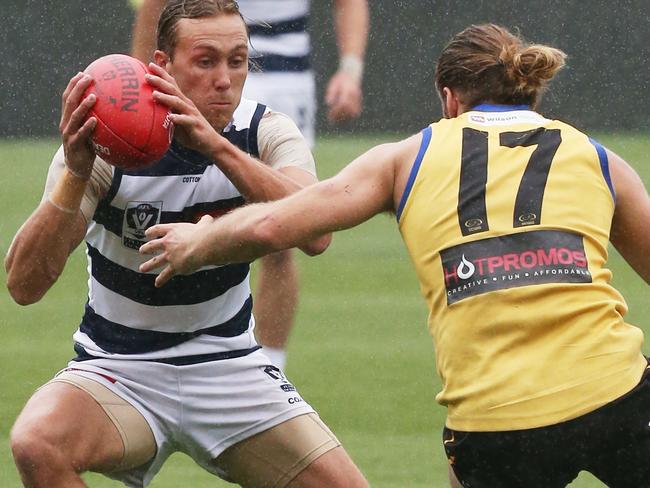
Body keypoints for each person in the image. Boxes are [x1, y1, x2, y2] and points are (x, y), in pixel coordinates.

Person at [139, 23, 650, 488]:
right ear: (529, 92)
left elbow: (277, 222)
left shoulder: (407, 157)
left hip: (497, 421)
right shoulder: (597, 156)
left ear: (448, 99)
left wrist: (196, 244)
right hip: (617, 394)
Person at [5, 1, 369, 487]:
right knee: (37, 442)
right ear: (163, 66)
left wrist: (216, 147)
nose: (224, 78)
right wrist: (75, 173)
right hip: (119, 368)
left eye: (237, 61)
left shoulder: (266, 131)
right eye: (205, 60)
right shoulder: (108, 144)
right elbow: (24, 285)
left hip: (229, 366)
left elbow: (316, 232)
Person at [132, 0, 369, 369]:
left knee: (286, 232)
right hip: (201, 59)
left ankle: (268, 367)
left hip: (285, 74)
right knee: (169, 204)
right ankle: (158, 345)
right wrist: (137, 82)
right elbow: (159, 5)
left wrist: (351, 69)